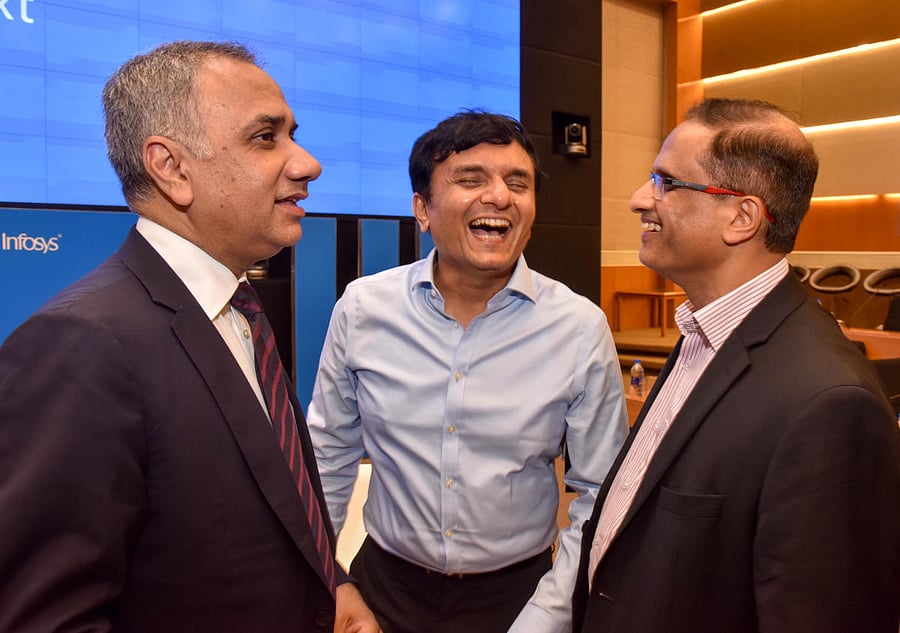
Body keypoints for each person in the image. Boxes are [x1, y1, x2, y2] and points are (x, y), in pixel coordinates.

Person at [0, 41, 380, 633]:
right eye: (265, 137)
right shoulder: (81, 344)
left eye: (292, 135)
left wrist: (333, 583)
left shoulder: (237, 310)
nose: (308, 164)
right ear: (171, 168)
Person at [572, 98, 900, 633]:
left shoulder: (830, 403)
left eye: (665, 182)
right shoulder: (704, 333)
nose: (638, 200)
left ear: (741, 217)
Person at [306, 110, 629, 633]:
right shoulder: (363, 309)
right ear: (422, 208)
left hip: (519, 600)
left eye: (518, 183)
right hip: (382, 589)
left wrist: (546, 618)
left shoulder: (578, 327)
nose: (499, 196)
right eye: (471, 179)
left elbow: (601, 493)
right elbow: (327, 455)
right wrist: (329, 579)